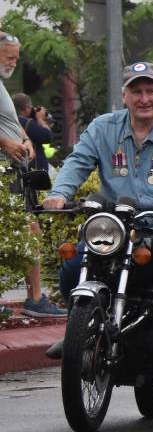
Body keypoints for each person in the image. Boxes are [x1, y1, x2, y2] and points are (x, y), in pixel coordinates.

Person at [44, 62, 153, 310]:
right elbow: (78, 162)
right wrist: (58, 194)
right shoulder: (103, 128)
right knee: (73, 269)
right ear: (124, 96)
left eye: (150, 91)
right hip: (114, 224)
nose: (144, 99)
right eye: (136, 91)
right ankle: (78, 330)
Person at [1, 31, 64, 318]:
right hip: (4, 169)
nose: (14, 62)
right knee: (26, 229)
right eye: (9, 56)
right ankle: (35, 298)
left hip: (16, 168)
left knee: (29, 228)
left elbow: (12, 121)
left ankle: (35, 297)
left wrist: (24, 138)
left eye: (16, 57)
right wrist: (5, 143)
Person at [12, 93, 53, 171]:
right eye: (30, 106)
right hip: (34, 170)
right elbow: (47, 136)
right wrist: (40, 119)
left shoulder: (14, 121)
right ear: (26, 107)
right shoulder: (24, 122)